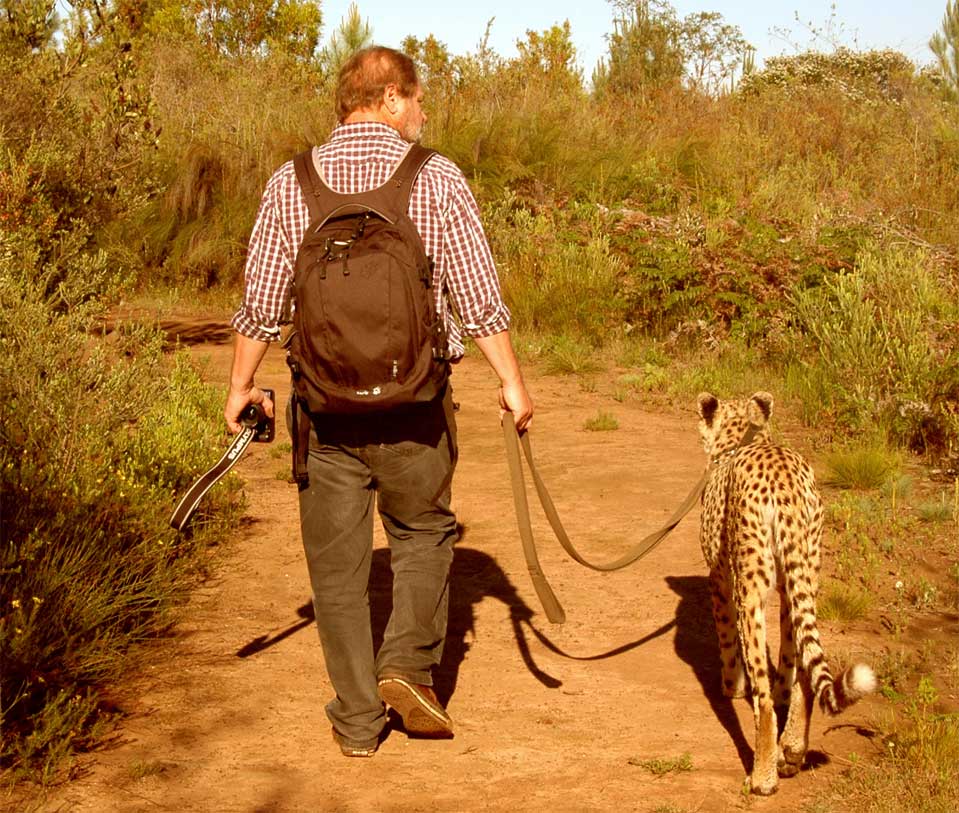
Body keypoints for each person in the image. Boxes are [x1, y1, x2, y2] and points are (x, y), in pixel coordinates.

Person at [224, 45, 533, 758]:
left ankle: (358, 724)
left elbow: (262, 304)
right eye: (417, 101)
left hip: (326, 413)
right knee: (423, 532)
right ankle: (406, 665)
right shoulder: (436, 177)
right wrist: (511, 381)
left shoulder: (289, 183)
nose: (422, 115)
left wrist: (241, 386)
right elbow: (478, 296)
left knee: (335, 569)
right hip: (416, 405)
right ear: (390, 97)